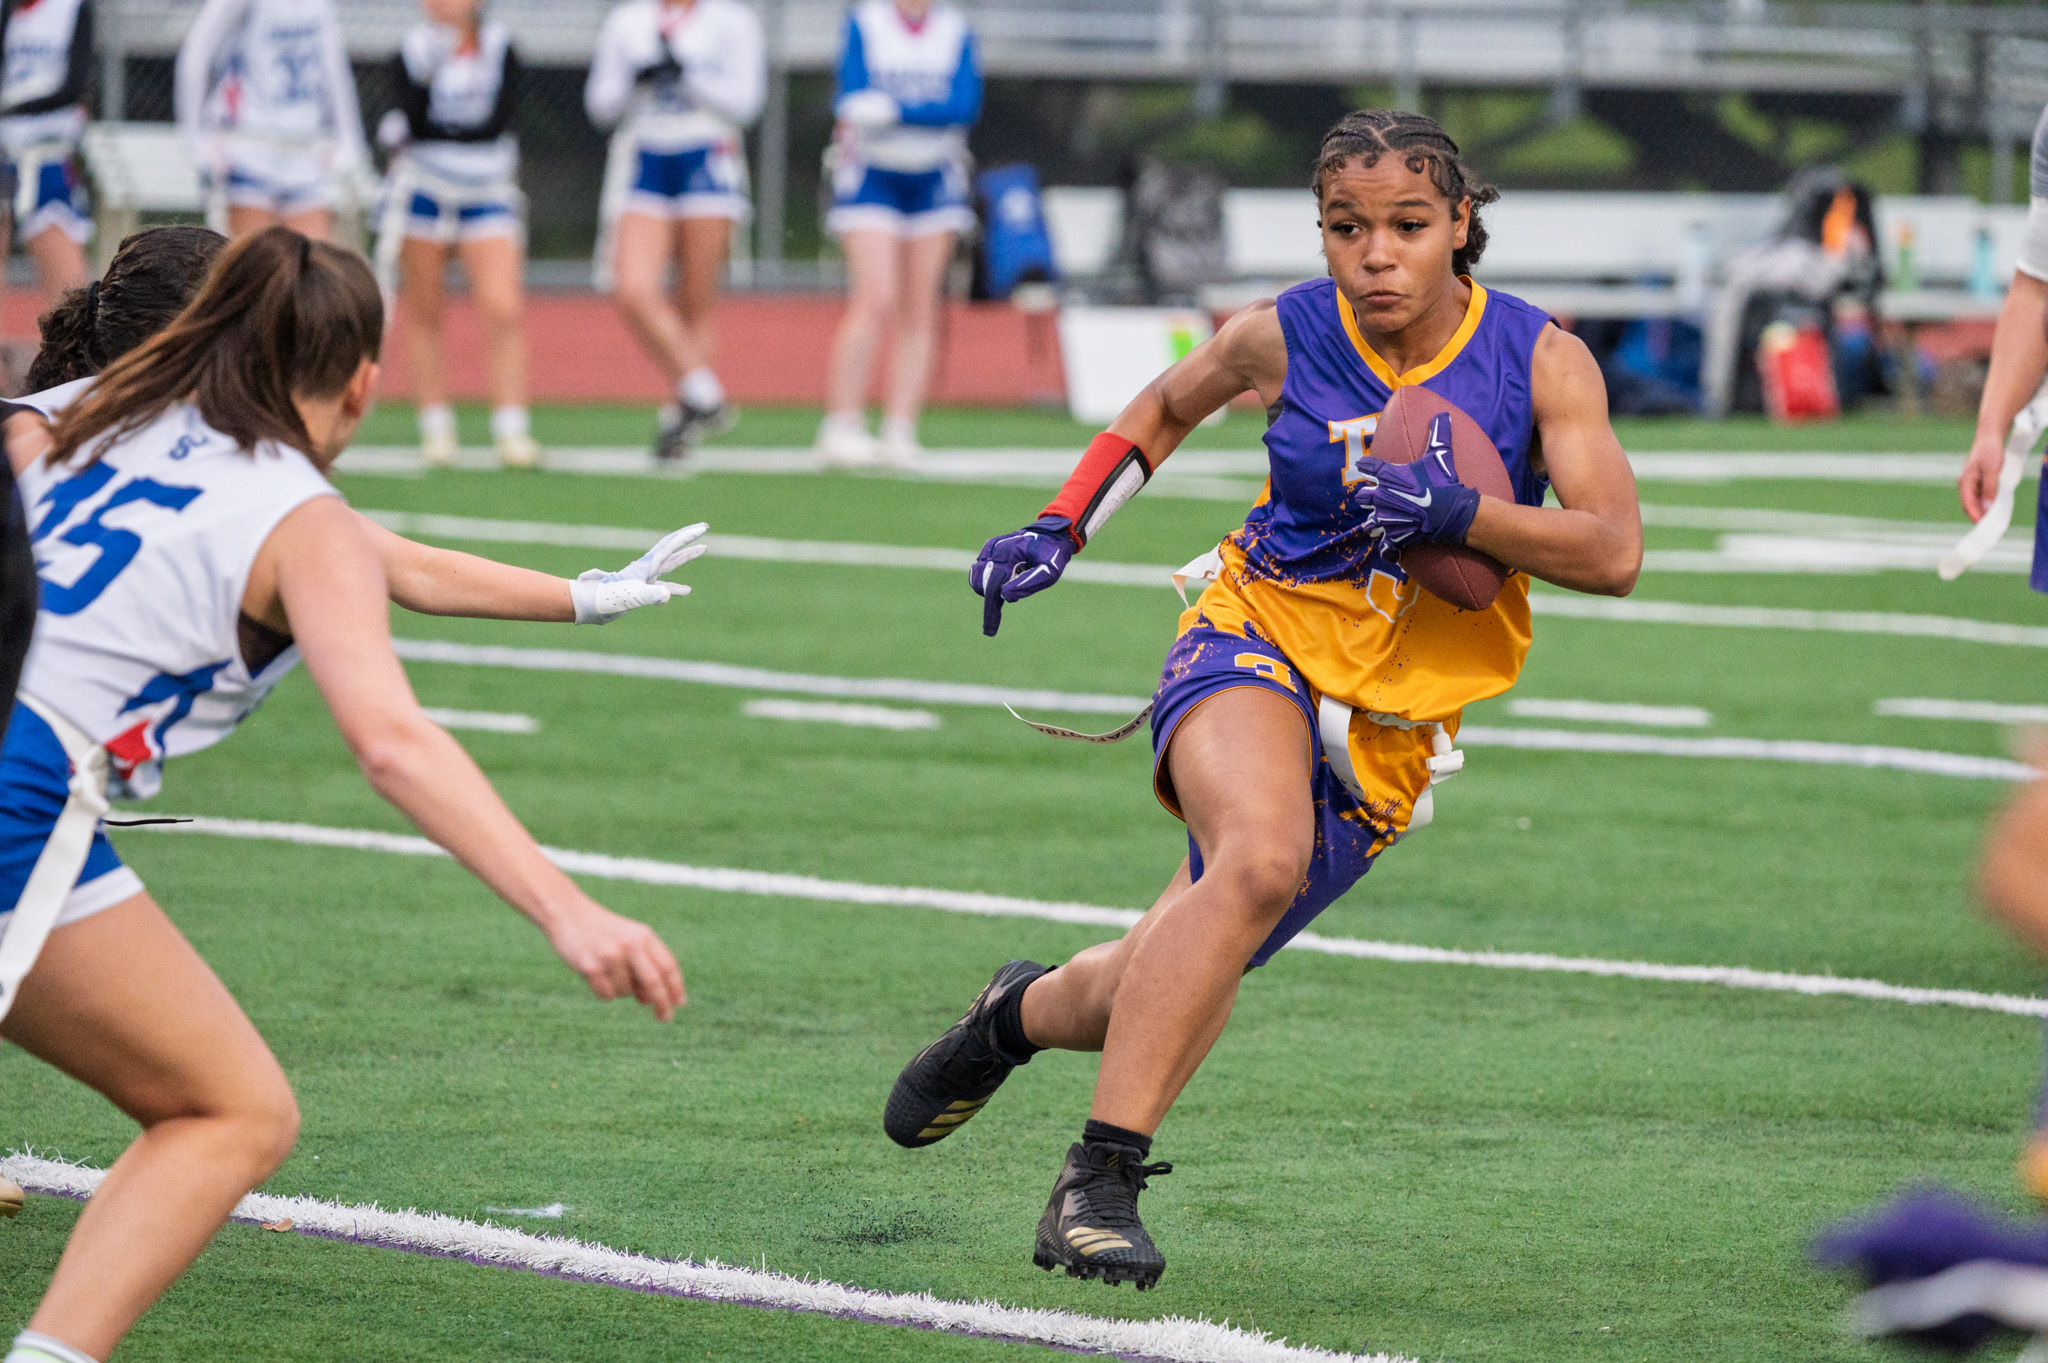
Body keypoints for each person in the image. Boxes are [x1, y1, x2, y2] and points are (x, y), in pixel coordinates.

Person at [889, 111, 1643, 1288]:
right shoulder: (1282, 332)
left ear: (1459, 224)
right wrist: (1060, 526)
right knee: (1256, 858)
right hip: (1255, 632)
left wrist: (1463, 514)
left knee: (1158, 974)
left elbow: (1611, 552)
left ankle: (1013, 1014)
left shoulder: (1540, 357)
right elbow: (1162, 406)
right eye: (1345, 227)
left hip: (1392, 723)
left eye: (1406, 225)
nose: (1373, 254)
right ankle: (1098, 1181)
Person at [0, 227, 701, 1363]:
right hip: (19, 794)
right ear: (365, 383)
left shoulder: (89, 421)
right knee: (232, 1110)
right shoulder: (288, 510)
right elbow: (392, 741)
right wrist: (568, 908)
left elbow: (401, 565)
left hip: (33, 789)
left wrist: (582, 596)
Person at [585, 0, 763, 462]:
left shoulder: (731, 20)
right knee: (633, 288)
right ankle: (705, 392)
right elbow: (600, 105)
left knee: (695, 300)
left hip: (707, 156)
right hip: (645, 157)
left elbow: (746, 103)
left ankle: (680, 422)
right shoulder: (628, 20)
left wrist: (689, 77)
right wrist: (636, 83)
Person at [816, 0, 981, 468]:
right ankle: (842, 423)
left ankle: (900, 426)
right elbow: (850, 98)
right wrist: (913, 113)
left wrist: (896, 110)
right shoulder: (865, 22)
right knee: (876, 298)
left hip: (935, 174)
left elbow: (963, 106)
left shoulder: (955, 29)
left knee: (920, 306)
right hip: (872, 173)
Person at [375, 0, 535, 470]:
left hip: (487, 189)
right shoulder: (411, 51)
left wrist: (444, 131)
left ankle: (511, 429)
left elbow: (499, 121)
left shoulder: (501, 48)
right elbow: (413, 117)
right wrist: (430, 77)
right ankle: (436, 427)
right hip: (424, 189)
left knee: (503, 306)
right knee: (426, 309)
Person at [174, 0, 369, 241]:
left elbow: (334, 66)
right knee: (252, 261)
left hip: (304, 152)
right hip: (250, 148)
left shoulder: (320, 5)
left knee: (311, 261)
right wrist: (193, 138)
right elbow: (197, 52)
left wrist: (350, 140)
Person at [0, 0, 94, 307]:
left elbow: (74, 86)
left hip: (46, 154)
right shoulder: (7, 10)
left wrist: (12, 107)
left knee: (69, 296)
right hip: (5, 152)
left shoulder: (71, 8)